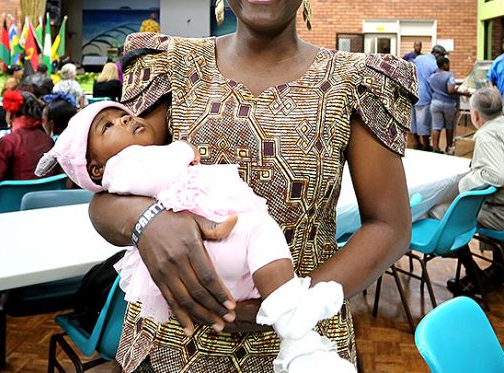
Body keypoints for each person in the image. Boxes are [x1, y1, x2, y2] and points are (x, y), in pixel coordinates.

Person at [86, 0, 414, 372]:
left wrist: (301, 301)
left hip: (300, 342)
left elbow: (389, 224)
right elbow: (105, 200)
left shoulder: (355, 81)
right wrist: (147, 223)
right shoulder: (170, 67)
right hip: (174, 341)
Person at [39, 101, 354, 371]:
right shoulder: (122, 167)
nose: (125, 119)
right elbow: (155, 173)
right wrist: (183, 149)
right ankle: (297, 323)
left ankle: (297, 328)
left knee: (259, 239)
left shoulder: (136, 159)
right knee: (260, 231)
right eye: (108, 126)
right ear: (95, 169)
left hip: (213, 253)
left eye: (125, 115)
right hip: (205, 249)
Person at [434, 87, 504, 294]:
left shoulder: (487, 134)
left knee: (447, 216)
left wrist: (465, 184)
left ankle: (475, 276)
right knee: (476, 204)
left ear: (475, 115)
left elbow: (498, 175)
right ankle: (498, 268)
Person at [0, 91, 55, 204]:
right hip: (47, 205)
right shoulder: (48, 140)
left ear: (10, 112)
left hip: (12, 210)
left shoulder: (7, 143)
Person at [428, 56, 471, 155]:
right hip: (448, 104)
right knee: (449, 126)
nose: (449, 66)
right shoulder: (449, 75)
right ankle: (449, 147)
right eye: (448, 64)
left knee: (436, 126)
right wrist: (464, 93)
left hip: (435, 103)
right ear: (444, 64)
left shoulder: (432, 77)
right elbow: (450, 90)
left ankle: (435, 148)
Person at [413, 45, 446, 151]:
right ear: (436, 54)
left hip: (412, 93)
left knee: (413, 121)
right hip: (425, 96)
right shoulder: (434, 64)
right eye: (442, 55)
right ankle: (426, 146)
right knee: (424, 122)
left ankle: (417, 143)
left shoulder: (418, 59)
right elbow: (437, 81)